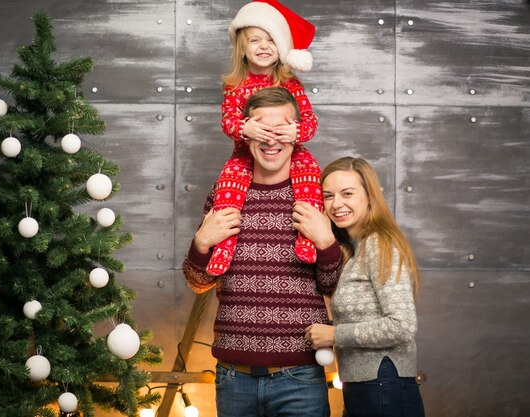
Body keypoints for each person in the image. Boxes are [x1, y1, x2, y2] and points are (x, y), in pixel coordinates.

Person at [182, 87, 342, 417]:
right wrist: (201, 243)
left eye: (280, 128)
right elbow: (199, 282)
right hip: (232, 377)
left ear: (297, 132)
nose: (271, 139)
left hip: (299, 377)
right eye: (261, 128)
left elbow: (334, 287)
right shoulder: (224, 193)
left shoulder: (316, 196)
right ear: (245, 132)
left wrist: (327, 244)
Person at [300, 157, 426, 417]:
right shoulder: (353, 249)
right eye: (328, 196)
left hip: (384, 385)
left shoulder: (379, 243)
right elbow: (367, 317)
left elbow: (402, 325)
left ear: (369, 196)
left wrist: (334, 335)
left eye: (347, 193)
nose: (336, 204)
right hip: (365, 386)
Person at [207, 0, 323, 276]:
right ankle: (224, 246)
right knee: (227, 191)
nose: (263, 46)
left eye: (271, 40)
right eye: (255, 41)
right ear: (243, 50)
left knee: (310, 180)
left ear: (281, 47)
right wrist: (243, 129)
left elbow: (310, 121)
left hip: (290, 153)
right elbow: (228, 120)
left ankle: (307, 239)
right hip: (247, 155)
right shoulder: (235, 86)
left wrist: (297, 132)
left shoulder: (290, 84)